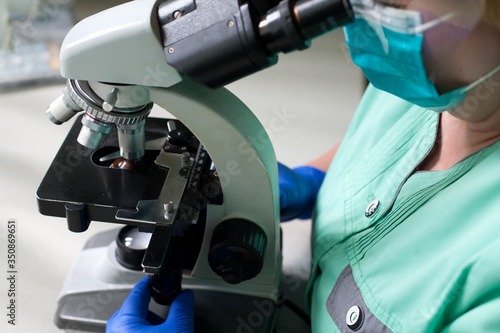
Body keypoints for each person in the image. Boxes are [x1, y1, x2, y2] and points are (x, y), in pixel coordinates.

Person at [107, 0, 500, 331]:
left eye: (389, 3)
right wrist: (320, 178)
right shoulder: (438, 85)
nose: (354, 12)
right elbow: (382, 143)